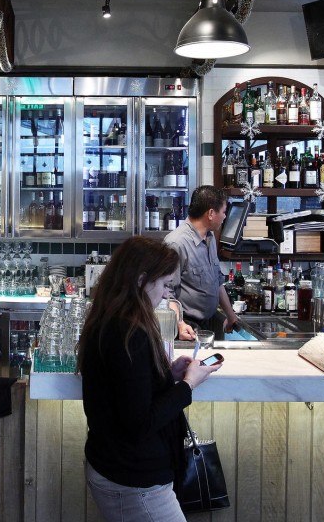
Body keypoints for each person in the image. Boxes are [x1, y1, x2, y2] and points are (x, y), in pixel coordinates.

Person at [78, 236, 221, 522]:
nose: (167, 295)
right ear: (142, 280)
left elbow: (125, 388)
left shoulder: (110, 319)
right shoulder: (130, 333)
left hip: (116, 468)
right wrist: (187, 385)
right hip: (133, 480)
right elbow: (139, 424)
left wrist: (166, 375)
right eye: (166, 285)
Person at [164, 185, 240, 339]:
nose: (225, 217)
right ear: (211, 213)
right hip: (188, 326)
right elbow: (167, 293)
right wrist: (179, 324)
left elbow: (217, 281)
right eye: (223, 212)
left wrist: (231, 316)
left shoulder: (210, 238)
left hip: (210, 322)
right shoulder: (176, 243)